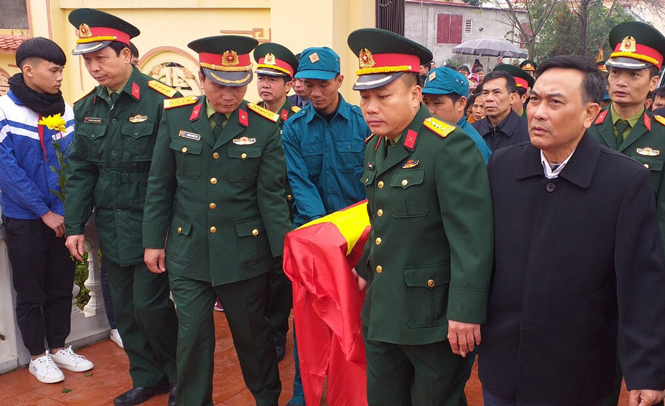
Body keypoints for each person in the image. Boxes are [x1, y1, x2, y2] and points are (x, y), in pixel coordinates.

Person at [480, 54, 665, 406]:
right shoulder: (502, 165)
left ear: (589, 114)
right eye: (535, 99)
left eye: (555, 102)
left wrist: (647, 370)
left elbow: (641, 282)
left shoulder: (624, 181)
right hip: (505, 363)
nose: (538, 113)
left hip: (578, 368)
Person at [143, 35, 292, 406]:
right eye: (220, 85)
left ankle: (267, 398)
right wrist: (153, 241)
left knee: (253, 336)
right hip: (188, 250)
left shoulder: (263, 126)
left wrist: (284, 254)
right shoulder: (176, 117)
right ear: (201, 77)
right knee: (192, 336)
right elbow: (160, 185)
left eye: (238, 86)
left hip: (244, 254)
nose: (229, 95)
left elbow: (272, 196)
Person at [348, 28, 494, 406]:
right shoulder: (376, 145)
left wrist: (465, 311)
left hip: (433, 318)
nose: (370, 108)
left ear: (415, 95)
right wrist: (365, 265)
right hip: (383, 309)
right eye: (365, 97)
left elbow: (472, 238)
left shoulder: (448, 146)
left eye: (383, 96)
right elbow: (383, 220)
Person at [64, 9, 178, 406]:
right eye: (87, 60)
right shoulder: (87, 107)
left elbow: (176, 174)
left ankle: (179, 376)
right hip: (111, 227)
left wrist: (167, 230)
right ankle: (147, 378)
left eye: (101, 57)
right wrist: (75, 225)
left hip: (152, 226)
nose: (94, 67)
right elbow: (81, 169)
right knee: (126, 311)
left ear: (126, 54)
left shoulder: (164, 102)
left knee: (151, 308)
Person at [0, 37, 94, 384]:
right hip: (25, 219)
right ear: (28, 70)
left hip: (62, 217)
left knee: (60, 286)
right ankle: (37, 357)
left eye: (61, 71)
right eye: (53, 70)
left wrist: (65, 212)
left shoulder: (64, 110)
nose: (59, 78)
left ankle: (58, 346)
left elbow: (73, 162)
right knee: (30, 292)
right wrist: (44, 211)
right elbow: (7, 171)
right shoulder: (4, 111)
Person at [281, 45, 369, 406]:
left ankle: (357, 394)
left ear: (339, 80)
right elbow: (299, 182)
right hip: (314, 243)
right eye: (308, 84)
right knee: (310, 320)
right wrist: (325, 235)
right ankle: (305, 395)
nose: (315, 93)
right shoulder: (294, 129)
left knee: (357, 319)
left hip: (358, 241)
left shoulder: (364, 123)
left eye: (323, 84)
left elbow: (372, 182)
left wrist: (351, 234)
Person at [586, 21, 665, 406]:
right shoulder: (583, 127)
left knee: (638, 377)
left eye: (635, 74)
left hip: (637, 278)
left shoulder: (662, 138)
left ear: (654, 82)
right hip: (583, 273)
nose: (621, 81)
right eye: (616, 71)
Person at [253, 41, 300, 363]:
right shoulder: (248, 116)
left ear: (288, 85)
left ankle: (277, 334)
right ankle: (260, 335)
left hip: (286, 209)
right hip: (252, 211)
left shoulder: (297, 119)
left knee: (280, 280)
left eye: (273, 79)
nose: (265, 85)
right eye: (261, 78)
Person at [422, 66, 491, 163]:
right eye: (426, 103)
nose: (430, 110)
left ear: (461, 104)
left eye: (437, 103)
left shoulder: (470, 145)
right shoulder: (426, 133)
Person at [472, 70, 529, 151]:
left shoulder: (528, 131)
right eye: (485, 93)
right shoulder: (472, 131)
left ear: (512, 98)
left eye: (497, 92)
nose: (489, 98)